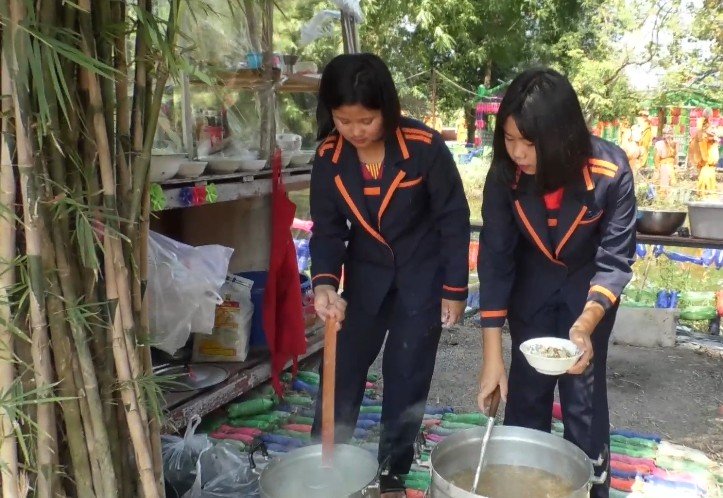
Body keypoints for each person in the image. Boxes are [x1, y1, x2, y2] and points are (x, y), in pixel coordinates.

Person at [309, 53, 470, 497]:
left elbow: (453, 218)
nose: (356, 130)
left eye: (366, 119)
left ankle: (392, 473)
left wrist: (454, 289)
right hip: (363, 280)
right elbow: (327, 229)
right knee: (339, 371)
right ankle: (327, 464)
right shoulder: (329, 156)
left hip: (421, 277)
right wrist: (324, 283)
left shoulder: (423, 146)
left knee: (407, 374)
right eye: (344, 120)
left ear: (388, 109)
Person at [476, 68, 636, 498]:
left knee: (583, 400)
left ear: (562, 136)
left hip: (588, 294)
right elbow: (495, 259)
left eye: (530, 143)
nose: (518, 153)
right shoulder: (504, 176)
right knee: (526, 396)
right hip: (532, 288)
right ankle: (520, 486)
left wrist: (585, 325)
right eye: (509, 139)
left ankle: (591, 487)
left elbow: (614, 259)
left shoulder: (609, 171)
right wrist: (492, 358)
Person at [653, 125, 678, 196]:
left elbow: (675, 156)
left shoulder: (674, 143)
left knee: (672, 185)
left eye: (670, 134)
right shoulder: (659, 144)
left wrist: (675, 166)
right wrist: (657, 169)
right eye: (666, 134)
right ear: (664, 135)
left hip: (671, 166)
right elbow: (656, 158)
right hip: (663, 166)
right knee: (663, 187)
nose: (668, 136)